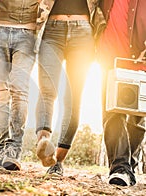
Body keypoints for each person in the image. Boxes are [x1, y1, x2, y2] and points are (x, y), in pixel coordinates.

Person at [34, 0, 104, 175]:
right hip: (51, 28)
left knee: (73, 96)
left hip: (83, 32)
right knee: (47, 90)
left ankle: (57, 161)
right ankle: (44, 144)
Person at [0, 0, 43, 171]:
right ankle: (2, 148)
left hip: (27, 32)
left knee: (19, 89)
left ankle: (14, 149)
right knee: (0, 91)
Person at [97, 0, 146, 186]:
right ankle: (120, 168)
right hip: (109, 59)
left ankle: (127, 167)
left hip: (139, 59)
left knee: (137, 119)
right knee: (112, 114)